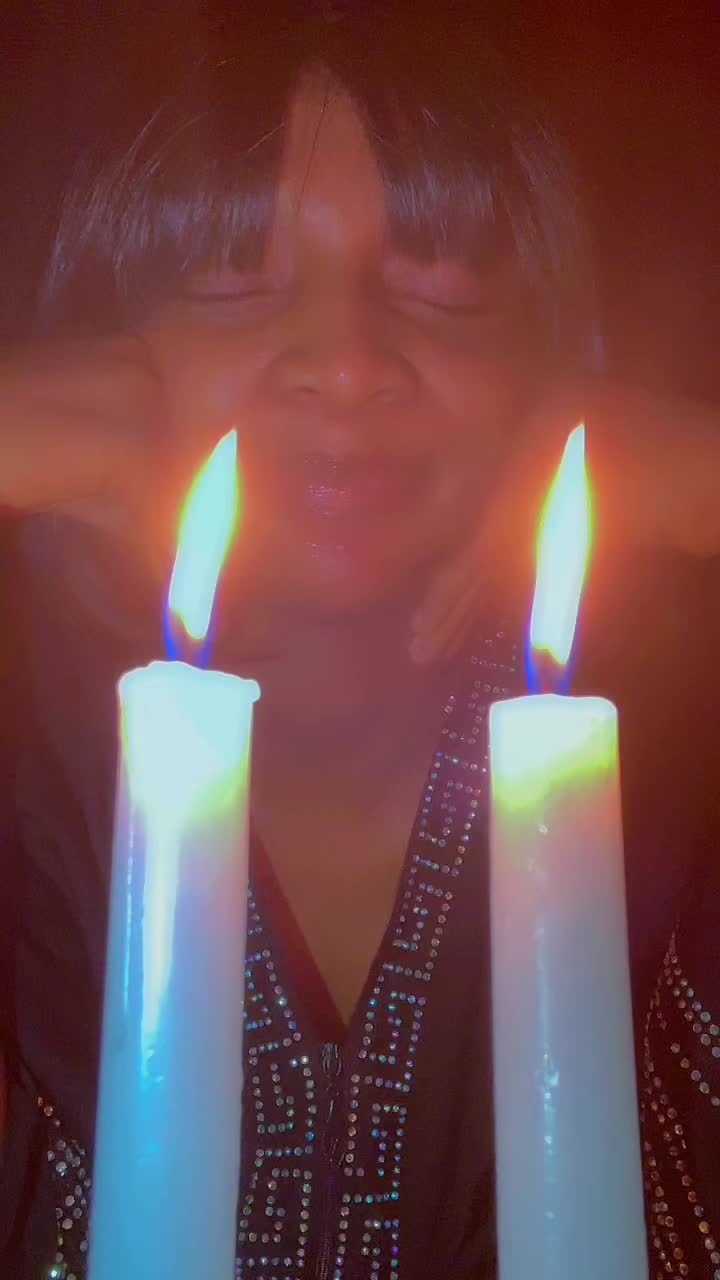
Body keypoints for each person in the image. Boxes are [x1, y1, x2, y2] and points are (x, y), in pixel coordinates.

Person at [0, 4, 718, 1277]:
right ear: (100, 342)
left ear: (555, 359)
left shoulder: (681, 777)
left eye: (444, 287)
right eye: (230, 279)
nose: (345, 363)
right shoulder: (25, 770)